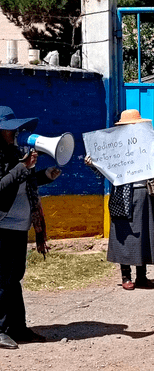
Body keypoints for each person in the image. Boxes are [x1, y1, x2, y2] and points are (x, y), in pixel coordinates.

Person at [0, 106, 61, 349]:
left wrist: (45, 174)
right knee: (2, 280)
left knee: (15, 279)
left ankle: (18, 327)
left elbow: (25, 181)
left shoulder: (17, 153)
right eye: (10, 129)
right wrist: (21, 167)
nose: (16, 132)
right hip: (2, 226)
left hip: (18, 226)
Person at [85, 109, 154, 291]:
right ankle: (126, 276)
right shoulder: (114, 146)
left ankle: (142, 276)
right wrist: (93, 164)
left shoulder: (148, 143)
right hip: (122, 196)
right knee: (125, 235)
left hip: (145, 195)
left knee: (144, 234)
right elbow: (105, 170)